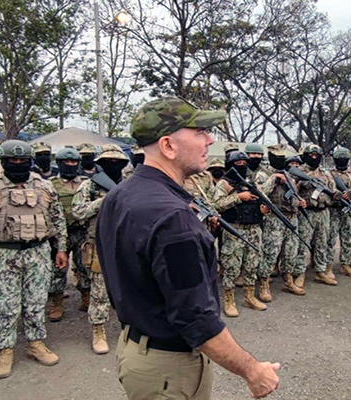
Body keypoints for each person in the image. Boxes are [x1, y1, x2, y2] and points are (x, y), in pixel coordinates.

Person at [97, 96, 280, 400]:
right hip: (168, 367)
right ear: (168, 145)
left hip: (137, 348)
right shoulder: (173, 217)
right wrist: (252, 370)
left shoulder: (122, 194)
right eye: (199, 132)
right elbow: (196, 319)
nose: (209, 140)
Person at [0, 140, 68, 379]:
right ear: (3, 161)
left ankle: (36, 343)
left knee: (36, 301)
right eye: (14, 161)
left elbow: (57, 219)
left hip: (38, 252)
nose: (19, 164)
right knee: (6, 305)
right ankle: (5, 350)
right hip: (3, 253)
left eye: (23, 160)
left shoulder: (44, 187)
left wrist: (60, 248)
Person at [72, 144, 128, 354]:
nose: (113, 165)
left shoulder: (131, 184)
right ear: (100, 164)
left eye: (117, 162)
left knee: (129, 290)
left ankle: (130, 326)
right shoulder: (89, 185)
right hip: (100, 244)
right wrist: (104, 201)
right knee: (99, 292)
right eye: (107, 162)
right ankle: (98, 330)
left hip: (127, 243)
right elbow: (78, 212)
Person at [214, 151, 268, 316]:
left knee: (252, 265)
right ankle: (229, 301)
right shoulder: (224, 184)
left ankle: (249, 297)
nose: (242, 165)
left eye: (244, 162)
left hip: (254, 229)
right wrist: (239, 197)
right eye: (238, 163)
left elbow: (261, 200)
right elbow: (216, 204)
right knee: (232, 266)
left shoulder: (250, 182)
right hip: (234, 230)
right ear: (230, 165)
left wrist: (263, 210)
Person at [258, 145, 306, 298]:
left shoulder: (289, 174)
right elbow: (260, 193)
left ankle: (288, 281)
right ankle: (264, 284)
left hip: (291, 217)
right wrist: (274, 178)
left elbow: (293, 195)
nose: (279, 160)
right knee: (270, 253)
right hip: (274, 218)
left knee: (290, 252)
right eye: (276, 157)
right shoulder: (263, 173)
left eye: (282, 157)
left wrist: (300, 202)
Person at [47, 148, 90, 321]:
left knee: (84, 266)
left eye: (74, 162)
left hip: (82, 231)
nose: (71, 165)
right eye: (67, 162)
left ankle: (86, 297)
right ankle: (57, 302)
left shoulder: (87, 182)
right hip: (59, 233)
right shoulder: (49, 184)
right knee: (58, 269)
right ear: (59, 163)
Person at [293, 144, 338, 286]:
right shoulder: (297, 172)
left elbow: (334, 191)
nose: (314, 158)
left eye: (317, 156)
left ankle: (320, 271)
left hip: (323, 212)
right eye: (311, 156)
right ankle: (300, 273)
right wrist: (301, 185)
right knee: (303, 244)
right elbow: (290, 191)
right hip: (306, 213)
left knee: (321, 243)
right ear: (306, 156)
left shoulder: (325, 174)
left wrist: (335, 196)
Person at [327, 147, 351, 277]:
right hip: (334, 210)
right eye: (339, 159)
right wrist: (335, 193)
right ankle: (328, 267)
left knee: (347, 238)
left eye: (344, 159)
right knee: (330, 239)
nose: (342, 161)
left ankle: (345, 264)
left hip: (349, 210)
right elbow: (325, 187)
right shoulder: (329, 174)